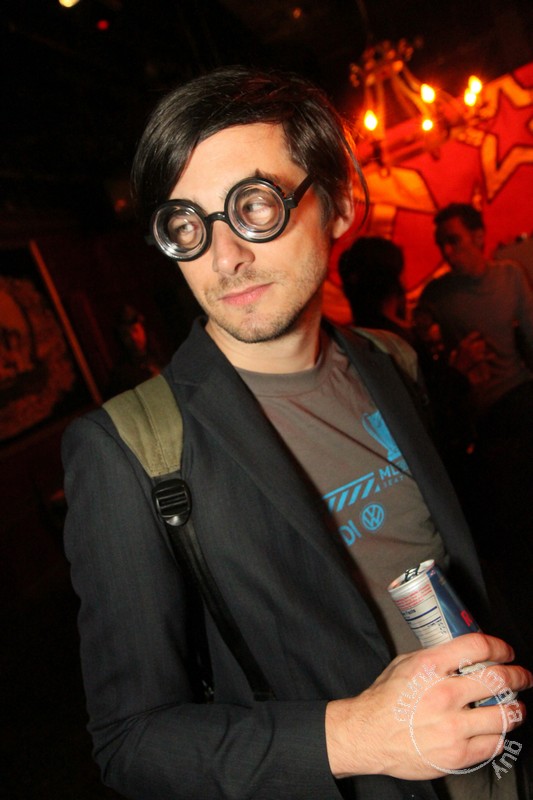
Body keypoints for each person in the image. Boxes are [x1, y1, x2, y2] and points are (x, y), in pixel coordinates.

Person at [62, 68, 532, 800]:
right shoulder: (127, 449)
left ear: (338, 204)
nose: (223, 258)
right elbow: (131, 741)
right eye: (186, 224)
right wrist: (357, 735)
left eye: (254, 204)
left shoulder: (390, 359)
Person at [415, 204, 533, 638]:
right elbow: (420, 352)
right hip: (482, 417)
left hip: (520, 396)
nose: (448, 251)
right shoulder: (437, 295)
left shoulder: (509, 276)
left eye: (454, 240)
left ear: (479, 236)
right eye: (442, 244)